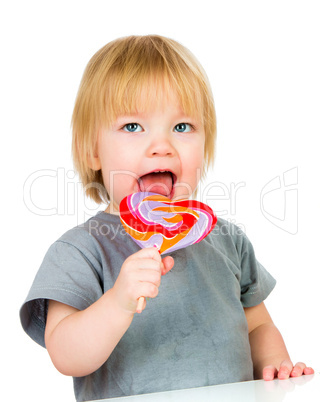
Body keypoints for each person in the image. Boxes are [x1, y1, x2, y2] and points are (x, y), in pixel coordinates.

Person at [20, 35, 313, 401]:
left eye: (182, 127)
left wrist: (275, 366)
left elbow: (257, 325)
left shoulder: (227, 240)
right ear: (93, 151)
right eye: (132, 127)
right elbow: (65, 354)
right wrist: (118, 302)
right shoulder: (80, 250)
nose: (162, 145)